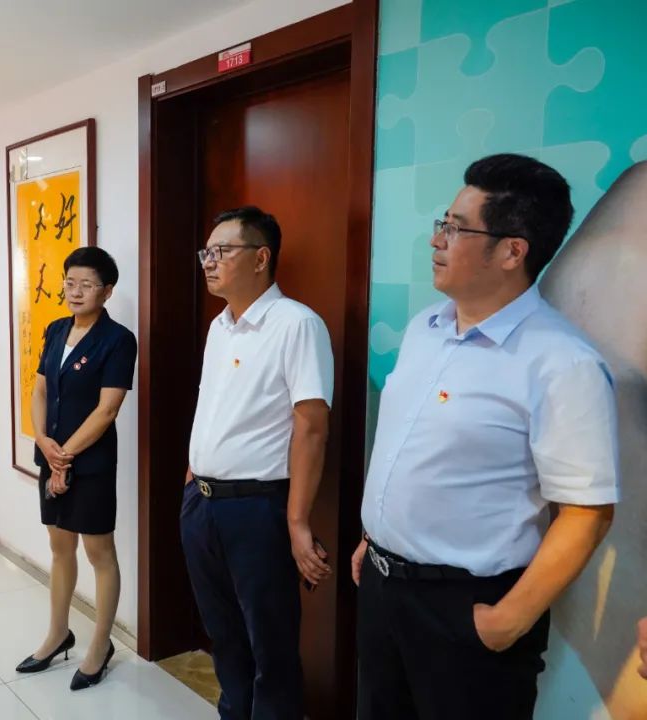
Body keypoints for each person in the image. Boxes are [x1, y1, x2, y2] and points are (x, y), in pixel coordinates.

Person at [352, 154, 620, 720]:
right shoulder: (427, 328)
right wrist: (377, 537)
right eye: (441, 224)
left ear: (512, 251)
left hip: (466, 609)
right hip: (382, 587)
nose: (437, 240)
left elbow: (587, 511)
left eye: (455, 228)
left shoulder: (561, 362)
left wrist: (506, 622)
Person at [182, 206, 334, 720]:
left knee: (270, 644)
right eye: (206, 252)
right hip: (202, 505)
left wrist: (297, 522)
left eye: (221, 251)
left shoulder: (297, 324)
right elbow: (211, 408)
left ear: (261, 258)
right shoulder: (218, 327)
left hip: (256, 509)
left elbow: (311, 427)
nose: (209, 261)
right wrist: (192, 480)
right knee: (223, 634)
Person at [14, 246, 137, 691]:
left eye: (87, 284)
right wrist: (42, 440)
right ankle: (57, 634)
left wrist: (63, 454)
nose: (76, 291)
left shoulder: (118, 340)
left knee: (99, 553)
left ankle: (101, 645)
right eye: (70, 282)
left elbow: (107, 410)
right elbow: (39, 391)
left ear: (107, 291)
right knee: (59, 546)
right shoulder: (55, 329)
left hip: (92, 464)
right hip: (51, 458)